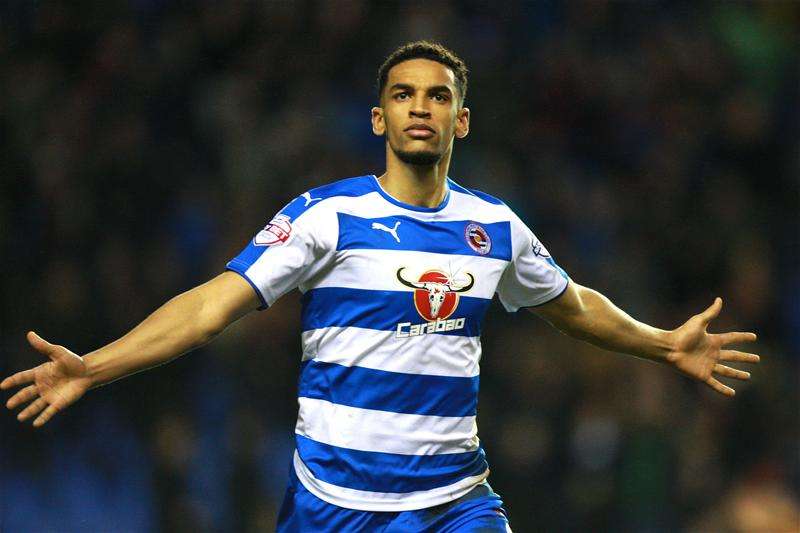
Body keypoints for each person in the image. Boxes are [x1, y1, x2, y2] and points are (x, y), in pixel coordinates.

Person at [2, 41, 760, 532]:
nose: (420, 107)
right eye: (403, 95)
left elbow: (572, 304)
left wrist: (664, 344)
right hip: (334, 504)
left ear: (462, 120)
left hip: (454, 501)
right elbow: (209, 307)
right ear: (378, 117)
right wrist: (93, 366)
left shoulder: (494, 226)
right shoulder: (327, 217)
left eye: (438, 96)